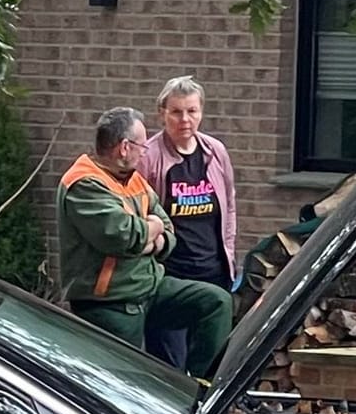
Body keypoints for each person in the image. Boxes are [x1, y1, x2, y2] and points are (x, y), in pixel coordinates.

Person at [56, 106, 231, 378]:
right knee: (127, 380)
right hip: (111, 302)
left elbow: (168, 229)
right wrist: (150, 230)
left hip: (151, 286)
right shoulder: (84, 185)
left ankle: (201, 389)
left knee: (215, 302)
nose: (145, 150)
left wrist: (154, 237)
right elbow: (125, 237)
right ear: (124, 148)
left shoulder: (133, 179)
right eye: (141, 145)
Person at [136, 76, 240, 370]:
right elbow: (140, 212)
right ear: (162, 113)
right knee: (170, 365)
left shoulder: (215, 152)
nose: (185, 119)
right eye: (176, 112)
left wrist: (229, 254)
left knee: (209, 364)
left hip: (213, 272)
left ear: (201, 112)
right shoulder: (150, 156)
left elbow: (229, 206)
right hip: (172, 275)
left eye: (191, 111)